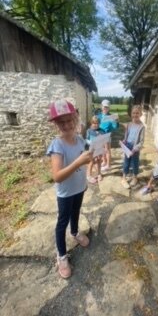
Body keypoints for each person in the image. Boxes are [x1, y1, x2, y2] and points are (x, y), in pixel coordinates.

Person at [46, 99, 93, 279]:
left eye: (69, 120)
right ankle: (62, 256)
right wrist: (79, 161)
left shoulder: (80, 140)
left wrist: (89, 160)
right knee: (61, 222)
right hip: (65, 193)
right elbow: (57, 176)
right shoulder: (57, 145)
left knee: (76, 212)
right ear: (56, 124)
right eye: (61, 122)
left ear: (75, 119)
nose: (66, 125)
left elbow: (82, 162)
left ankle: (75, 232)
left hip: (79, 187)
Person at [121, 105, 145, 189]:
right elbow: (126, 135)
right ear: (131, 114)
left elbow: (141, 141)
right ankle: (123, 178)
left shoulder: (142, 127)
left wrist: (135, 149)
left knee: (135, 163)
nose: (135, 115)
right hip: (127, 146)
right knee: (126, 162)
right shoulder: (129, 124)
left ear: (141, 114)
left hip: (135, 148)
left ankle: (135, 177)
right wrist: (124, 141)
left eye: (137, 113)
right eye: (133, 113)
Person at [97, 99, 119, 171]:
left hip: (107, 136)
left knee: (107, 150)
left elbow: (115, 127)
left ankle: (108, 165)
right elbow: (96, 125)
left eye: (107, 107)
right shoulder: (99, 116)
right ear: (101, 106)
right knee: (103, 149)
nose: (105, 108)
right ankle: (104, 161)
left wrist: (117, 121)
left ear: (109, 108)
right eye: (104, 107)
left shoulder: (111, 116)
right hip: (100, 135)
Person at [86, 116, 104, 183]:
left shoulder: (102, 131)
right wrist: (91, 142)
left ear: (99, 123)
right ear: (91, 123)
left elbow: (104, 140)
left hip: (99, 149)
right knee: (91, 162)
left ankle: (99, 173)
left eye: (97, 123)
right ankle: (88, 175)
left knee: (99, 161)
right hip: (92, 149)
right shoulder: (89, 131)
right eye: (94, 123)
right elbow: (86, 139)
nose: (96, 125)